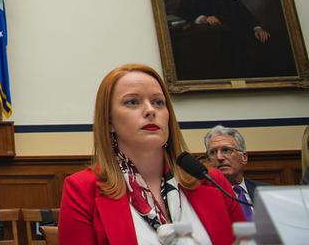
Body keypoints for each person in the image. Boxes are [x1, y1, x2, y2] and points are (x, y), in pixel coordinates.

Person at [60, 63, 244, 244]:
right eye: (132, 102)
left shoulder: (211, 181)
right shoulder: (82, 190)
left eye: (158, 102)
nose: (150, 110)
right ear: (109, 121)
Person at [204, 125, 266, 221]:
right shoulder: (205, 198)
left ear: (244, 158)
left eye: (226, 150)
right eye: (212, 152)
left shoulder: (266, 191)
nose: (219, 157)